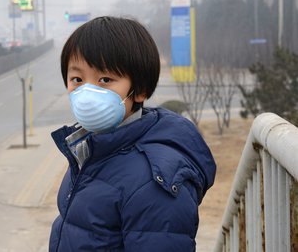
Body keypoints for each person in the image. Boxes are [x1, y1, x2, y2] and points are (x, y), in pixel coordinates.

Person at [48, 16, 216, 251]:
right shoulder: (91, 149)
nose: (86, 92)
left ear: (140, 90)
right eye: (77, 79)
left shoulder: (154, 182)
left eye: (105, 79)